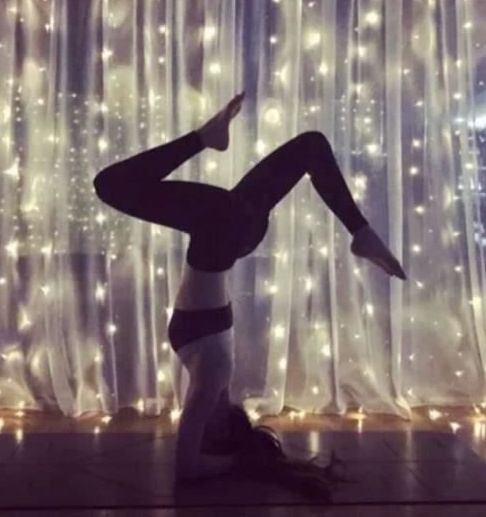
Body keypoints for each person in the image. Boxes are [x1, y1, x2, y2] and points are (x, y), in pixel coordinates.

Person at [93, 91, 406, 494]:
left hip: (226, 231)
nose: (195, 419)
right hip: (223, 229)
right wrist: (240, 460)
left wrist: (235, 460)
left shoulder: (209, 374)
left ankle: (206, 139)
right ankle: (359, 232)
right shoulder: (215, 373)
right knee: (111, 185)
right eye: (208, 429)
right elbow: (188, 467)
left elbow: (190, 462)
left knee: (310, 147)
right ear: (225, 429)